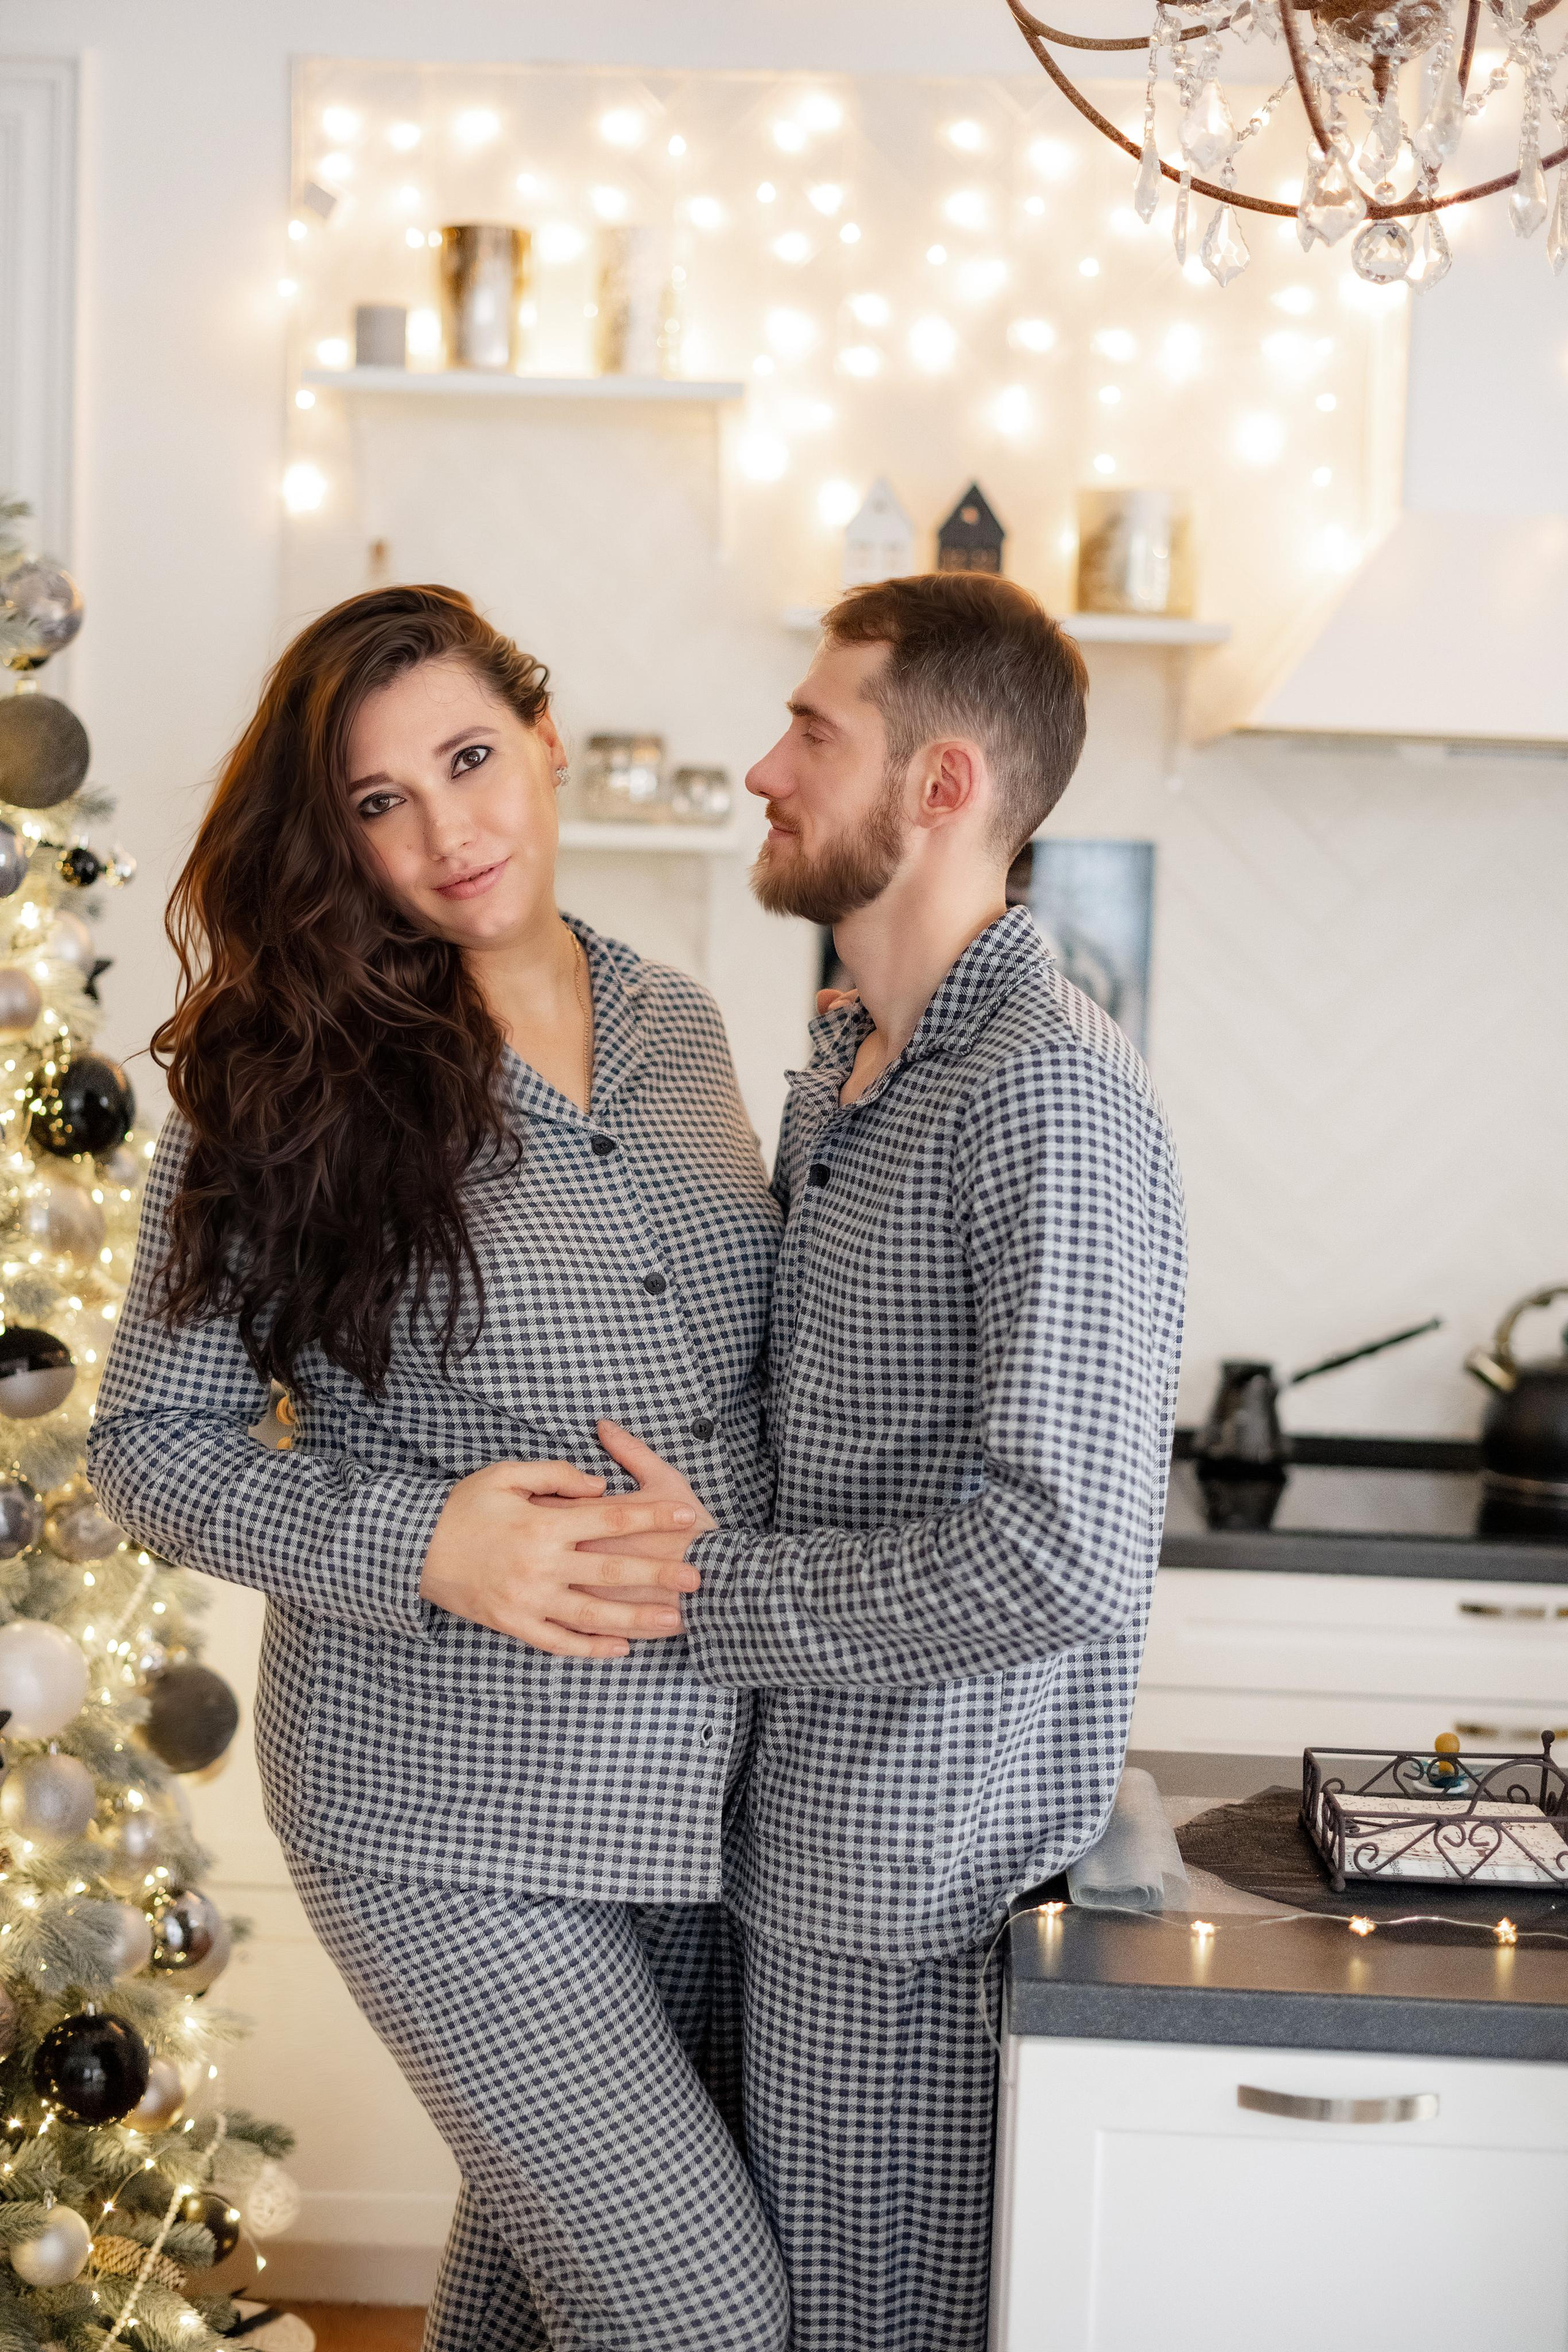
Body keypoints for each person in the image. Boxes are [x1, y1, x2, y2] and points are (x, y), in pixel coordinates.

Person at [87, 584, 790, 2352]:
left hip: (695, 1784)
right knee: (695, 2314)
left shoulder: (683, 1026)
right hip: (440, 1811)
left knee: (533, 2288)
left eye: (471, 760)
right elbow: (147, 1451)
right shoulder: (277, 1081)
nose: (446, 831)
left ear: (546, 744)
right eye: (379, 802)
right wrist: (428, 1543)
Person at [584, 571, 1188, 2352]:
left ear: (939, 785)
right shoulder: (858, 1053)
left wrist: (696, 1589)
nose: (765, 765)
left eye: (813, 730)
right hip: (779, 1830)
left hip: (905, 1879)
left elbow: (1055, 1552)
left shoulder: (1044, 1095)